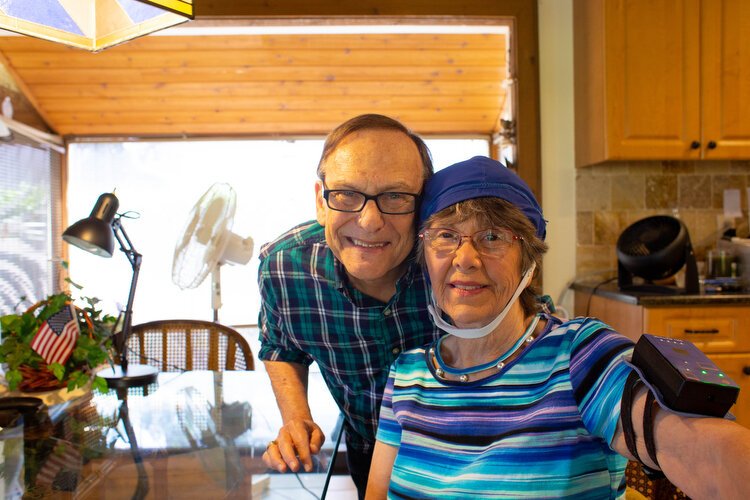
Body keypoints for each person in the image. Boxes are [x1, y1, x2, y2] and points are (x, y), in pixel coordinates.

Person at [366, 156, 750, 499]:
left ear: (528, 261)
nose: (465, 258)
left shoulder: (578, 354)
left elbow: (691, 443)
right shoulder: (407, 374)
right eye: (446, 236)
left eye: (493, 237)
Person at [258, 114, 441, 497]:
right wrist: (296, 418)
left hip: (466, 451)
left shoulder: (457, 264)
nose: (369, 220)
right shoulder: (285, 268)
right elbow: (281, 346)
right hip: (366, 448)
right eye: (345, 194)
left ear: (423, 205)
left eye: (395, 196)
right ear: (320, 202)